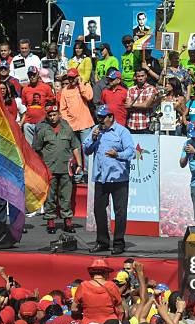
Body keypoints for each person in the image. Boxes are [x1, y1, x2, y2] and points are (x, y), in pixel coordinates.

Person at [82, 105, 134, 255]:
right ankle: (102, 241)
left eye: (102, 117)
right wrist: (92, 139)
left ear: (111, 117)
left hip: (119, 178)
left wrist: (117, 155)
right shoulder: (96, 130)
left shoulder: (122, 132)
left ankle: (118, 242)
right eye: (98, 117)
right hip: (101, 178)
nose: (100, 120)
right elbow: (86, 149)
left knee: (120, 211)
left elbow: (130, 151)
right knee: (99, 210)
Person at [33, 105, 82, 234]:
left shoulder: (67, 128)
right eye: (50, 115)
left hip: (65, 167)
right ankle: (50, 220)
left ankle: (67, 220)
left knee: (66, 195)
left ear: (59, 114)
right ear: (47, 116)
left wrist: (80, 164)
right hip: (49, 168)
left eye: (55, 114)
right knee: (50, 195)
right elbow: (36, 149)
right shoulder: (43, 130)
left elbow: (75, 147)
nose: (53, 117)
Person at [60, 68, 95, 147]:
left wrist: (80, 84)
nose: (71, 80)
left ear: (77, 76)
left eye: (73, 77)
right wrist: (67, 122)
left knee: (86, 149)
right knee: (75, 150)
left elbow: (89, 97)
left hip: (85, 124)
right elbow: (63, 109)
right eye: (69, 78)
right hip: (72, 125)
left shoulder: (86, 85)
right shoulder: (65, 90)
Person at [21, 66, 55, 145]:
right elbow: (25, 106)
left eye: (33, 74)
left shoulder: (46, 87)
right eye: (30, 75)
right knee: (30, 148)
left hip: (43, 122)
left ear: (37, 75)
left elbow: (52, 102)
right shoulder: (25, 89)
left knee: (43, 146)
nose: (32, 76)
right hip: (29, 123)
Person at [125, 68, 158, 134]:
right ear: (135, 77)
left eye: (142, 76)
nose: (140, 78)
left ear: (146, 76)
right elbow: (127, 106)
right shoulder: (131, 89)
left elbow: (146, 105)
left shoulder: (151, 89)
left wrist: (132, 104)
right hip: (132, 124)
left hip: (145, 125)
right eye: (138, 76)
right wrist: (141, 105)